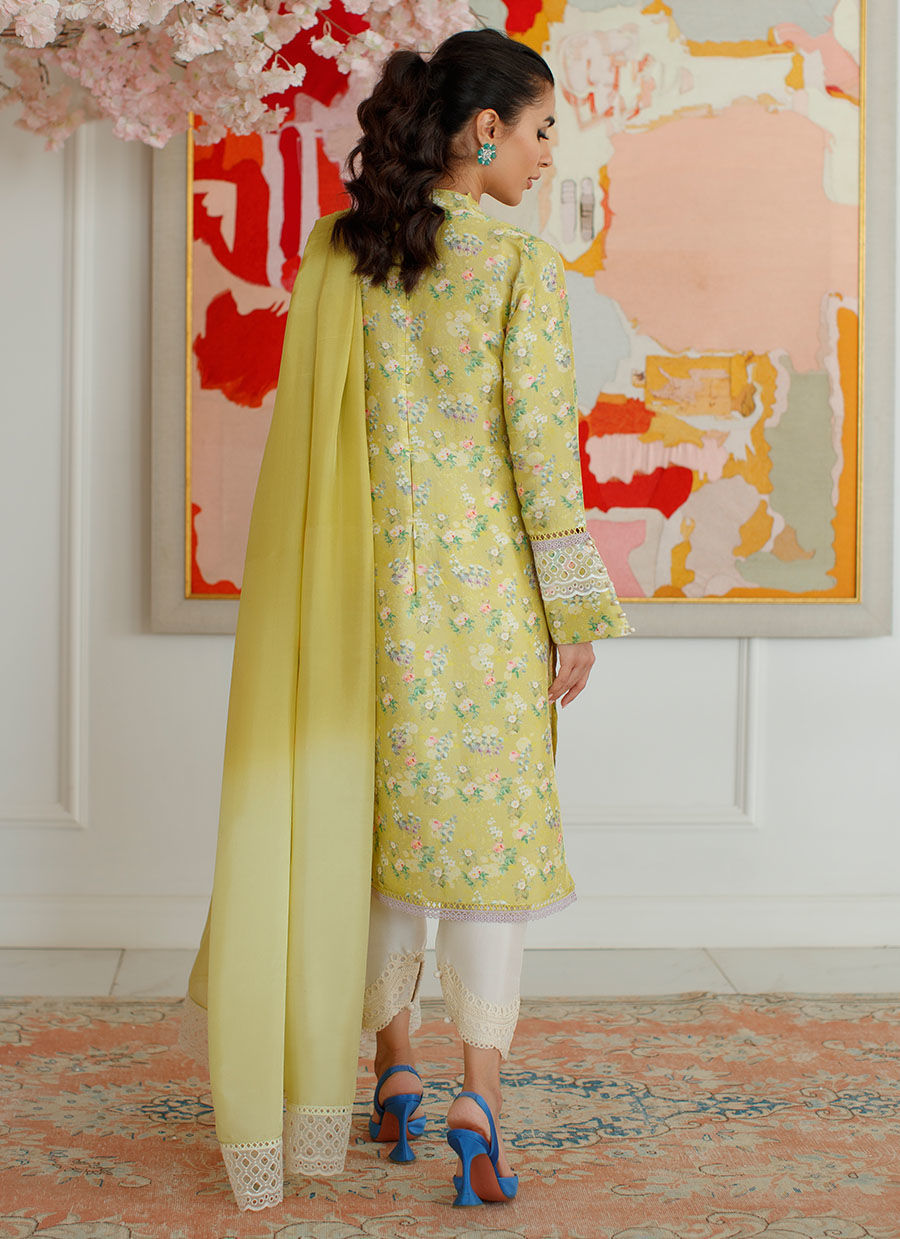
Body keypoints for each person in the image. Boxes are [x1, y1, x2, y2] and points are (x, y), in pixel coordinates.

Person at [179, 25, 631, 1214]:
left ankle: (394, 1077)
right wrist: (575, 614)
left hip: (362, 605)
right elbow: (542, 460)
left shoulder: (345, 254)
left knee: (379, 845)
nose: (547, 156)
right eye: (540, 131)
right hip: (486, 606)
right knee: (484, 858)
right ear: (485, 128)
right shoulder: (521, 270)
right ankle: (477, 1105)